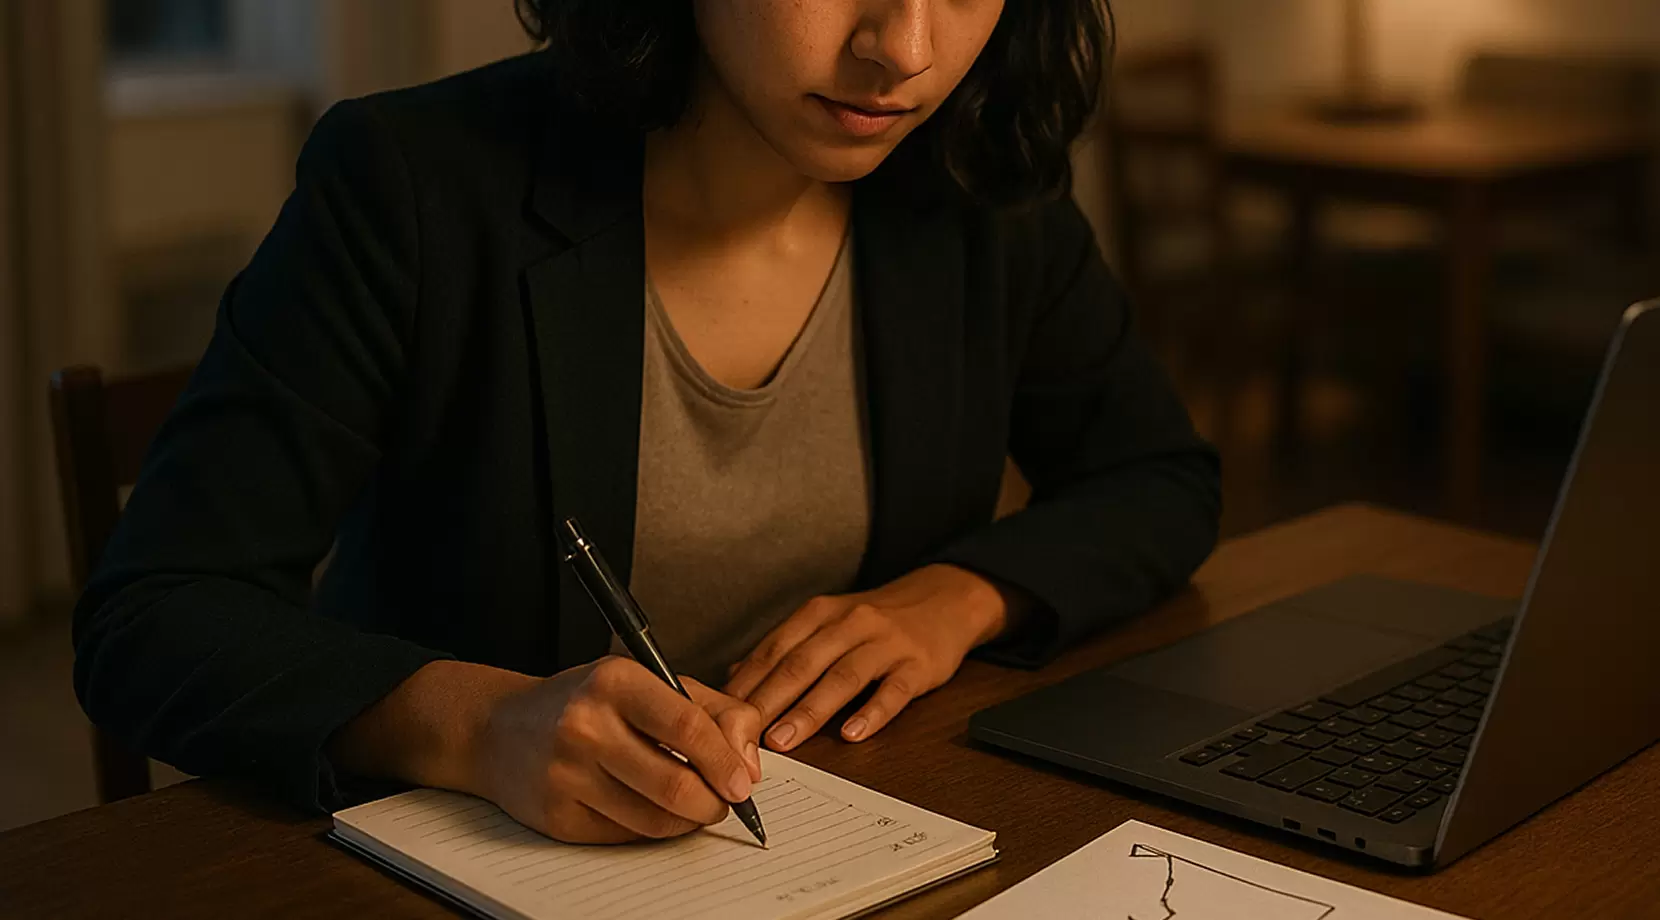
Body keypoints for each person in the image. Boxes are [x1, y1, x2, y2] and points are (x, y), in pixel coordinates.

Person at [74, 0, 1219, 845]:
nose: (903, 49)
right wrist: (474, 724)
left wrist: (957, 596)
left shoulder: (976, 180)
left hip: (851, 850)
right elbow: (155, 615)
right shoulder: (411, 183)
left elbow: (1158, 477)